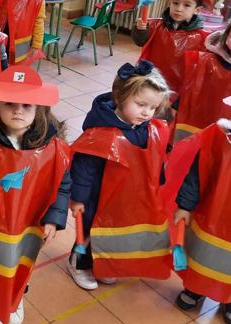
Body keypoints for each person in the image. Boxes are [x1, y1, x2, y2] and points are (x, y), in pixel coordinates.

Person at [0, 64, 71, 324]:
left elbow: (63, 184)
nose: (18, 110)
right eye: (9, 103)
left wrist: (54, 217)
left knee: (20, 262)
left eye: (27, 105)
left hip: (30, 222)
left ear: (39, 109)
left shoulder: (54, 148)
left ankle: (15, 297)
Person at [168, 88, 231, 324]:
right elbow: (198, 173)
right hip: (214, 214)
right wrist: (185, 205)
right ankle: (196, 287)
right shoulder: (224, 139)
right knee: (204, 256)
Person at [67, 61, 172, 290]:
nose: (147, 113)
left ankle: (105, 265)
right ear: (119, 97)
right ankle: (79, 264)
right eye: (141, 104)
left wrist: (157, 183)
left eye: (153, 108)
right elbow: (84, 169)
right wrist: (78, 198)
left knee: (115, 233)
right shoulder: (101, 132)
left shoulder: (150, 128)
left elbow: (155, 158)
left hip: (127, 196)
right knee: (91, 232)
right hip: (97, 196)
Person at [173, 7, 231, 142]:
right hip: (202, 118)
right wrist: (177, 105)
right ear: (226, 35)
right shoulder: (208, 59)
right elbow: (191, 86)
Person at [132, 0, 210, 95]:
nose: (179, 9)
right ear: (170, 3)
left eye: (187, 5)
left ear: (197, 10)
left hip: (177, 87)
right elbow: (140, 41)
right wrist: (140, 30)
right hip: (152, 79)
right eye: (175, 3)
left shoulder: (201, 37)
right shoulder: (156, 25)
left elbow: (198, 70)